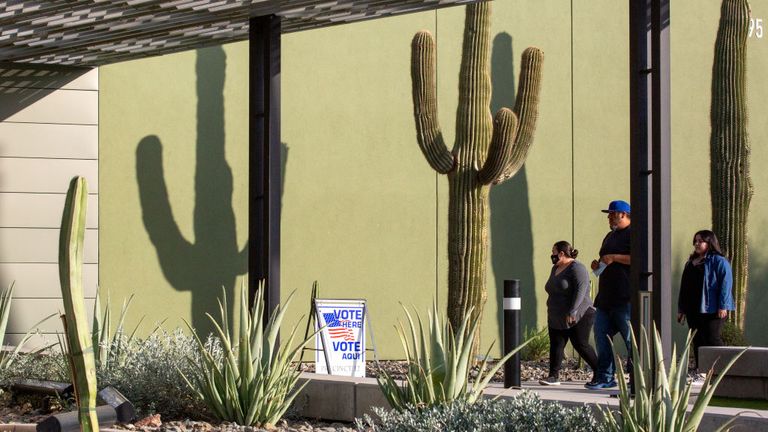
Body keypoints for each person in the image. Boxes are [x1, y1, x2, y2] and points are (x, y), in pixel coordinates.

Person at [585, 199, 632, 390]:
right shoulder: (609, 236)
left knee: (631, 340)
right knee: (601, 336)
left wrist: (614, 257)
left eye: (612, 213)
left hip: (625, 297)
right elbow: (606, 259)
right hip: (605, 298)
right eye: (609, 214)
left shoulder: (634, 234)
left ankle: (638, 378)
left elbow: (640, 259)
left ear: (623, 214)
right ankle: (605, 377)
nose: (609, 217)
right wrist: (598, 265)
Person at [539, 241, 599, 386]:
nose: (551, 255)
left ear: (561, 253)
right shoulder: (555, 268)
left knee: (580, 344)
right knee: (556, 344)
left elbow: (581, 290)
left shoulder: (577, 268)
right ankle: (553, 376)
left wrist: (573, 311)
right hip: (556, 314)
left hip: (579, 314)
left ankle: (601, 372)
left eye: (553, 251)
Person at [677, 230, 734, 373]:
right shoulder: (690, 263)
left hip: (713, 308)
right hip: (693, 308)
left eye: (700, 241)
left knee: (712, 338)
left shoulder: (719, 261)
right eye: (695, 241)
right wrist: (681, 309)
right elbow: (684, 288)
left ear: (710, 243)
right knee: (697, 339)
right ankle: (701, 369)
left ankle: (722, 369)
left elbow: (726, 284)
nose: (696, 244)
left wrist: (723, 306)